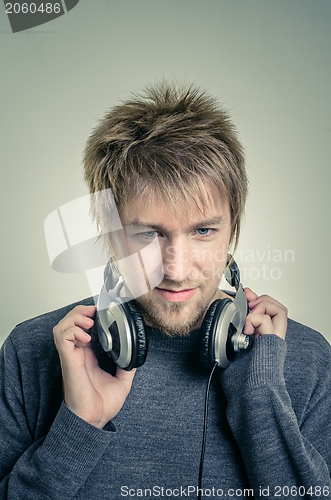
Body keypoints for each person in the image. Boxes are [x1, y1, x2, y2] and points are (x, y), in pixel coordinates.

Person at [1, 83, 331, 500]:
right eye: (146, 234)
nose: (175, 269)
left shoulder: (304, 359)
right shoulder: (30, 351)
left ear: (233, 229)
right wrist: (78, 426)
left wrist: (261, 404)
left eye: (204, 231)